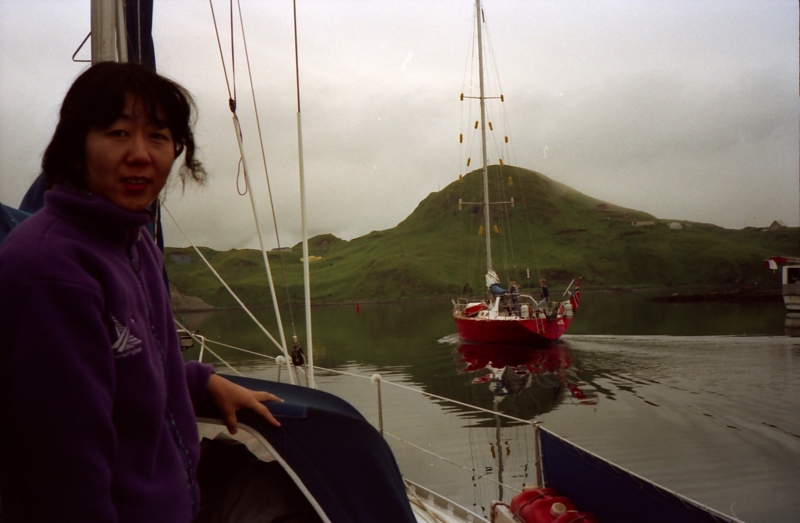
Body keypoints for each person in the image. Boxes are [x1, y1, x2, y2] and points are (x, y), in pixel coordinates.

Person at [0, 62, 282, 523]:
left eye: (157, 136)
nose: (141, 154)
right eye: (118, 133)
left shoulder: (134, 242)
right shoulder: (50, 269)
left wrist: (202, 382)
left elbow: (130, 365)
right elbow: (66, 472)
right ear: (75, 147)